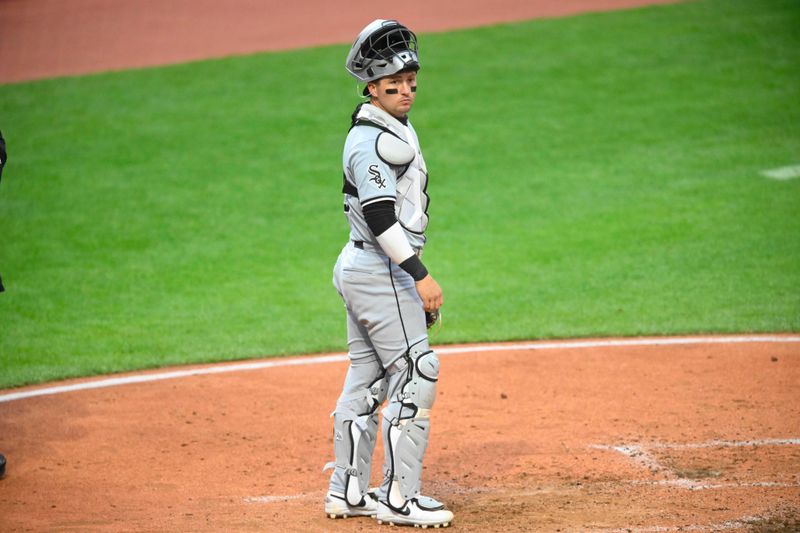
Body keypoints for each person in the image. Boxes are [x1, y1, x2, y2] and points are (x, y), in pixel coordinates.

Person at [322, 19, 453, 528]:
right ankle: (399, 498)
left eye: (411, 84)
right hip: (382, 268)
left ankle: (349, 491)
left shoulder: (386, 128)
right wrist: (420, 275)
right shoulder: (368, 140)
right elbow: (380, 217)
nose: (406, 93)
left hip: (363, 266)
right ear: (371, 88)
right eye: (394, 85)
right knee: (417, 371)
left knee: (368, 377)